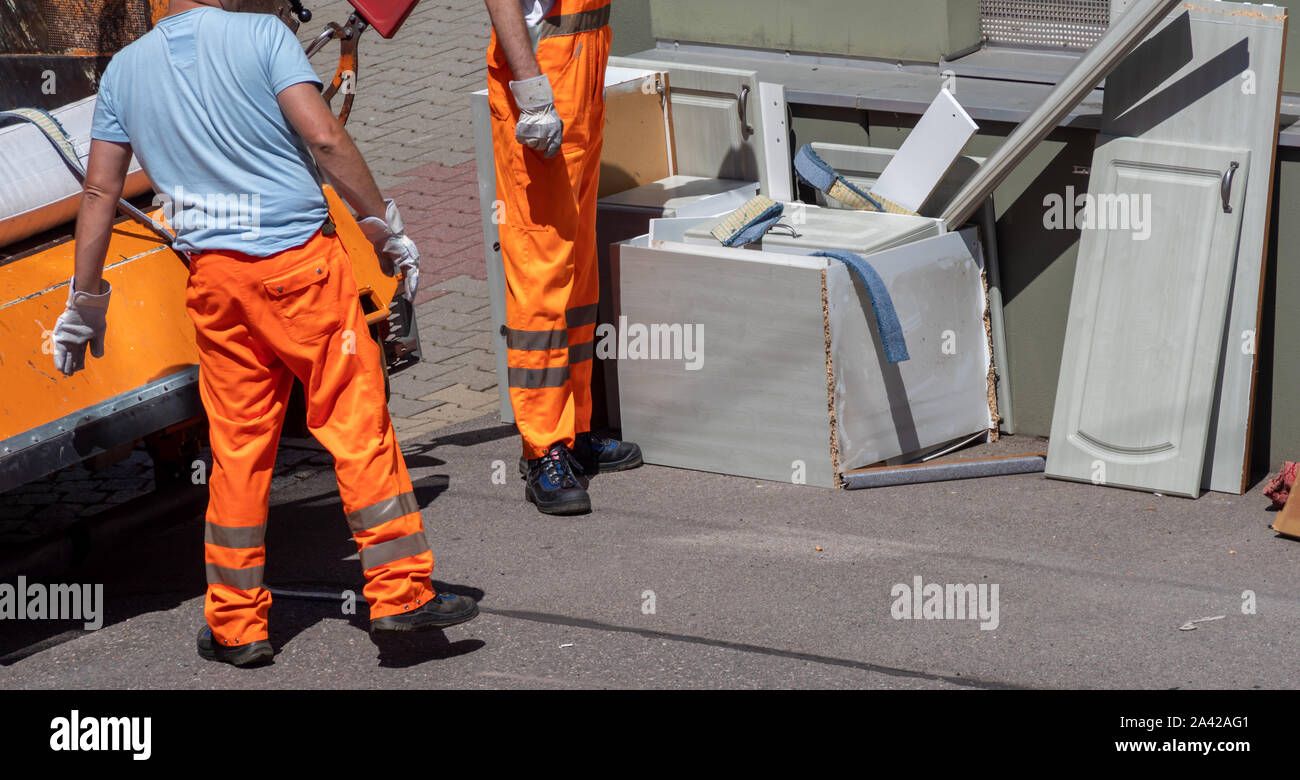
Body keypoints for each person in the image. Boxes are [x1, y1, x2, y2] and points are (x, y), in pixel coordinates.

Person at [52, 0, 478, 667]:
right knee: (354, 422)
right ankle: (399, 595)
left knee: (240, 449)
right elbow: (326, 139)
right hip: (300, 273)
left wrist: (85, 299)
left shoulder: (124, 73)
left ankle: (235, 623)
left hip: (216, 284)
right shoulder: (262, 36)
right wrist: (383, 223)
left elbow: (101, 192)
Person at [484, 0, 642, 516]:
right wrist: (531, 94)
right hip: (545, 77)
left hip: (579, 76)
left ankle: (572, 433)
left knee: (576, 271)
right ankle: (542, 447)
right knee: (541, 269)